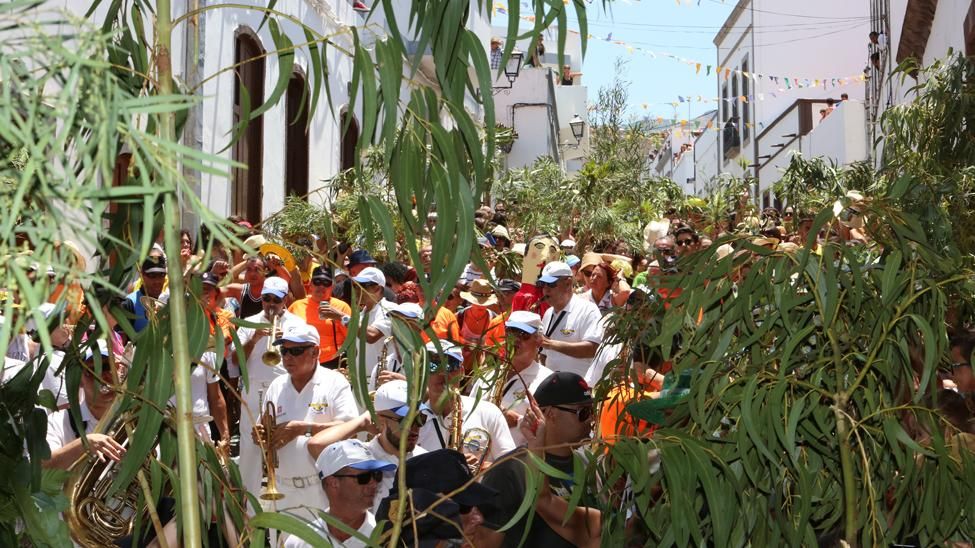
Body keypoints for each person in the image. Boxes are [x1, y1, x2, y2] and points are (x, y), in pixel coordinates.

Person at [476, 372, 599, 547]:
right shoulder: (510, 471)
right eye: (583, 412)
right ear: (549, 413)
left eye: (593, 411)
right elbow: (486, 542)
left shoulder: (588, 465)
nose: (591, 420)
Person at [256, 322, 360, 521]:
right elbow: (266, 431)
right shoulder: (276, 385)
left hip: (321, 491)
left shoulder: (335, 382)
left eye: (296, 351)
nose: (287, 357)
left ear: (315, 352)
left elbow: (350, 429)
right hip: (282, 489)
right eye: (284, 350)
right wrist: (260, 434)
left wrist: (304, 429)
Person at [233, 276, 299, 505]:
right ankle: (247, 507)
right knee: (249, 449)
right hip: (253, 390)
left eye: (276, 300)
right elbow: (234, 360)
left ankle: (288, 502)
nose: (271, 304)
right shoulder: (248, 322)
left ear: (286, 300)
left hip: (284, 390)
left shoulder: (297, 324)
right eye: (266, 299)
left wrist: (288, 341)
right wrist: (253, 338)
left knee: (285, 446)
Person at [416, 340, 515, 466]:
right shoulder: (412, 421)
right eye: (433, 365)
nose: (442, 373)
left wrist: (482, 466)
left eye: (450, 365)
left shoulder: (488, 412)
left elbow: (511, 465)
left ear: (462, 371)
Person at [283, 439, 395, 548]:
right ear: (333, 483)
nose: (374, 483)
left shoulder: (387, 537)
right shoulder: (299, 542)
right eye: (364, 477)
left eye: (377, 475)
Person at [470, 311, 554, 446]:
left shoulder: (548, 380)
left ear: (539, 341)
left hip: (519, 462)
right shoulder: (487, 376)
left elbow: (553, 432)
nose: (515, 340)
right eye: (511, 333)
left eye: (523, 335)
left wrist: (518, 421)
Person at [44, 340, 127, 469]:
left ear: (118, 369)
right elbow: (41, 465)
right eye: (92, 370)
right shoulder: (59, 421)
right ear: (79, 380)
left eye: (106, 367)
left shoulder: (132, 417)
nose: (101, 377)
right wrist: (83, 445)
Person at [536, 261, 602, 378]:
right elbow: (544, 354)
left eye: (551, 284)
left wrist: (551, 344)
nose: (545, 289)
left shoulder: (588, 310)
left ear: (568, 283)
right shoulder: (548, 313)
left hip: (577, 387)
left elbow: (592, 348)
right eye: (543, 284)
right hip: (552, 386)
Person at [288, 266, 351, 368]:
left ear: (332, 287)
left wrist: (339, 317)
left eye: (326, 283)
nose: (321, 286)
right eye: (317, 281)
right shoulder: (296, 306)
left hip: (332, 362)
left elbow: (351, 337)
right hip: (302, 361)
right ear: (310, 285)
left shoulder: (342, 307)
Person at [120, 253, 168, 333]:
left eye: (161, 275)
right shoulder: (129, 304)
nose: (157, 281)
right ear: (142, 275)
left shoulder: (168, 301)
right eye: (152, 275)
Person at [224, 255, 267, 319]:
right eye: (248, 269)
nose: (252, 273)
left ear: (265, 271)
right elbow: (229, 278)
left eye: (257, 269)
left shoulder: (273, 290)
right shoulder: (240, 290)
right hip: (244, 328)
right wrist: (249, 261)